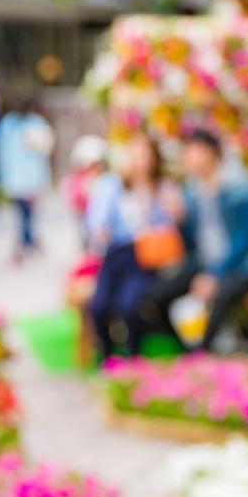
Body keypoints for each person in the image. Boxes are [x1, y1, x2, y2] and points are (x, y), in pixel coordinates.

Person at [147, 129, 248, 353]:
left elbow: (244, 239)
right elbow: (189, 244)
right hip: (205, 264)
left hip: (243, 266)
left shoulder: (239, 189)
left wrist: (214, 273)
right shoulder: (191, 193)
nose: (188, 159)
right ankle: (188, 353)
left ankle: (203, 354)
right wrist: (179, 220)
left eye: (192, 152)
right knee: (155, 297)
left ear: (211, 153)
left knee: (221, 294)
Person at [86, 132, 182, 360]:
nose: (140, 161)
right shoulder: (112, 186)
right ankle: (107, 353)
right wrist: (100, 232)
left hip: (144, 257)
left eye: (145, 155)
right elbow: (97, 222)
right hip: (116, 254)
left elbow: (172, 223)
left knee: (129, 305)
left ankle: (132, 355)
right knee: (98, 306)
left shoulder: (162, 188)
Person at [0, 94, 54, 262]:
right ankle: (27, 241)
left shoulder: (12, 123)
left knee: (23, 212)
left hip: (19, 177)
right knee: (26, 213)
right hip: (26, 177)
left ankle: (25, 241)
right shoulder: (29, 123)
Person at [63, 134, 106, 251]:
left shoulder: (105, 179)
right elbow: (72, 196)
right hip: (84, 214)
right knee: (86, 238)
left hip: (100, 218)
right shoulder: (76, 178)